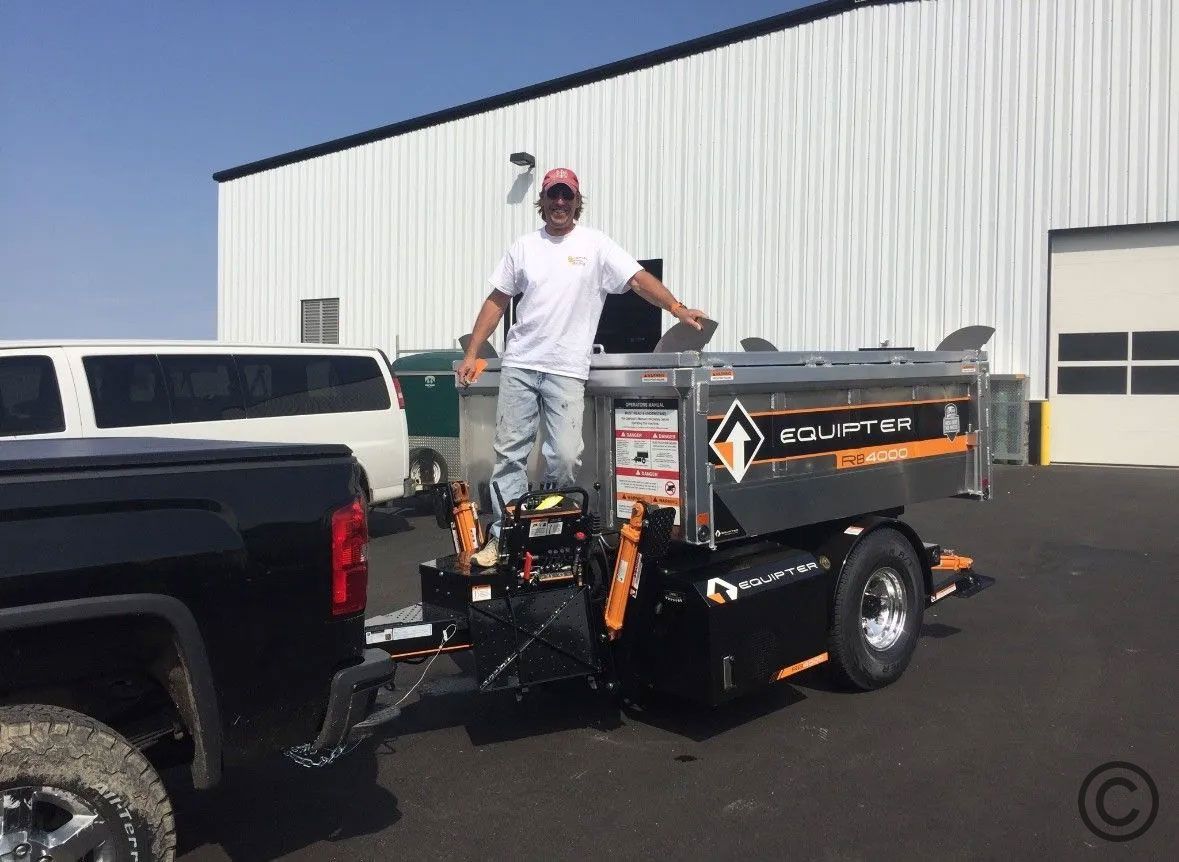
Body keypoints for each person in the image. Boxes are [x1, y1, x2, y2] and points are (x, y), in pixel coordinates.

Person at [457, 167, 708, 567]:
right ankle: (505, 536)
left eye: (567, 195)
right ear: (542, 201)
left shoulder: (596, 246)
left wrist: (676, 307)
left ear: (577, 201)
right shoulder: (524, 247)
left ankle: (543, 525)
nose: (560, 202)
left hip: (566, 368)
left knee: (566, 456)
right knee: (510, 455)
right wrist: (472, 353)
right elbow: (497, 301)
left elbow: (640, 280)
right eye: (553, 195)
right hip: (521, 363)